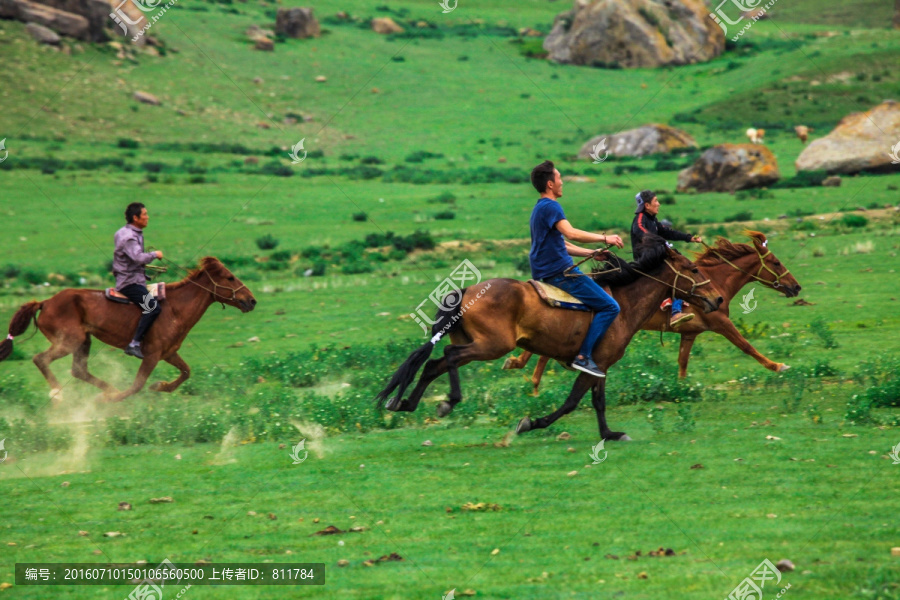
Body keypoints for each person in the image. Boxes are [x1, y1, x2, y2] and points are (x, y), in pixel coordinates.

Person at [529, 160, 624, 378]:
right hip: (559, 273)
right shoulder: (552, 206)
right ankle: (583, 357)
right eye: (560, 178)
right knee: (610, 307)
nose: (562, 182)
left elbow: (560, 244)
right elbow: (570, 233)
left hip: (543, 271)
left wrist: (591, 253)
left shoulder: (539, 208)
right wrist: (605, 237)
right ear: (551, 184)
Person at [631, 190, 703, 327]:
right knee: (676, 273)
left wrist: (689, 238)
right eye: (656, 201)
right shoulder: (640, 219)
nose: (658, 204)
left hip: (656, 256)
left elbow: (667, 232)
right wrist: (660, 242)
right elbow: (641, 231)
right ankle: (676, 312)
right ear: (647, 205)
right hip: (647, 259)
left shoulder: (653, 220)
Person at [113, 202, 164, 359]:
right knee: (153, 308)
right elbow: (137, 257)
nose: (148, 217)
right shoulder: (129, 237)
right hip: (129, 283)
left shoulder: (123, 232)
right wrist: (155, 254)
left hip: (133, 278)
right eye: (145, 215)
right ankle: (134, 344)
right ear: (135, 218)